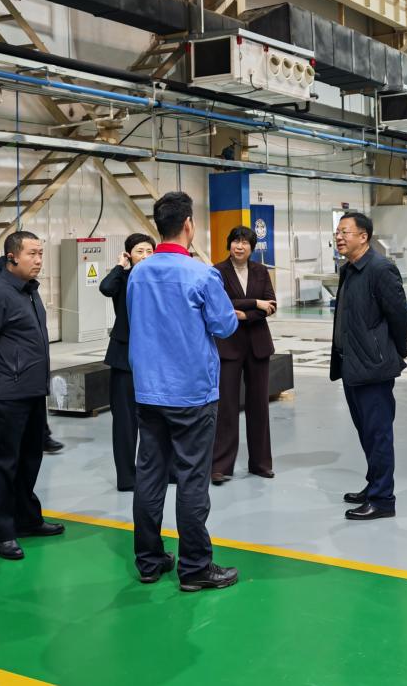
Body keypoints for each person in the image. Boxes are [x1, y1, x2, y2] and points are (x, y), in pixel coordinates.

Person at [127, 191, 241, 591]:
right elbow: (225, 325)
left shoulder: (138, 274)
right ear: (189, 224)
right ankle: (194, 567)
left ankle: (149, 560)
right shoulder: (201, 274)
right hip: (191, 393)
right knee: (192, 479)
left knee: (150, 475)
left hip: (148, 391)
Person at [0, 231, 64, 561]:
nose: (38, 260)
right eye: (32, 254)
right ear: (11, 257)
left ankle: (27, 518)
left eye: (40, 253)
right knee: (4, 465)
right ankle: (3, 533)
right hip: (7, 394)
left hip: (33, 390)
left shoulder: (29, 291)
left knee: (29, 460)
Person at [331, 211, 407, 521]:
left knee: (378, 434)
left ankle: (383, 499)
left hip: (373, 367)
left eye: (345, 232)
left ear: (363, 237)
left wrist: (391, 350)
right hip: (351, 364)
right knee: (366, 431)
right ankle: (374, 485)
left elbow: (401, 316)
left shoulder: (380, 269)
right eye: (338, 232)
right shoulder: (350, 270)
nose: (339, 237)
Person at [212, 225, 276, 484]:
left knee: (259, 406)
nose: (239, 246)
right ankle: (221, 466)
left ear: (252, 247)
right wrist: (255, 303)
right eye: (235, 241)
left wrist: (247, 315)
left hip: (258, 345)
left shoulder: (261, 271)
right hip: (228, 345)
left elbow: (271, 305)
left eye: (245, 242)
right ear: (229, 244)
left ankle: (261, 463)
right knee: (226, 407)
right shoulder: (217, 271)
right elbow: (220, 303)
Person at [98, 232, 155, 491]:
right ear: (129, 254)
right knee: (125, 420)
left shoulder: (158, 277)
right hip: (124, 356)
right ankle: (126, 477)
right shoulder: (123, 277)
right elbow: (105, 288)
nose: (145, 256)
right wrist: (120, 266)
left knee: (158, 418)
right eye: (139, 251)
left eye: (149, 251)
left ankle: (162, 470)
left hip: (154, 356)